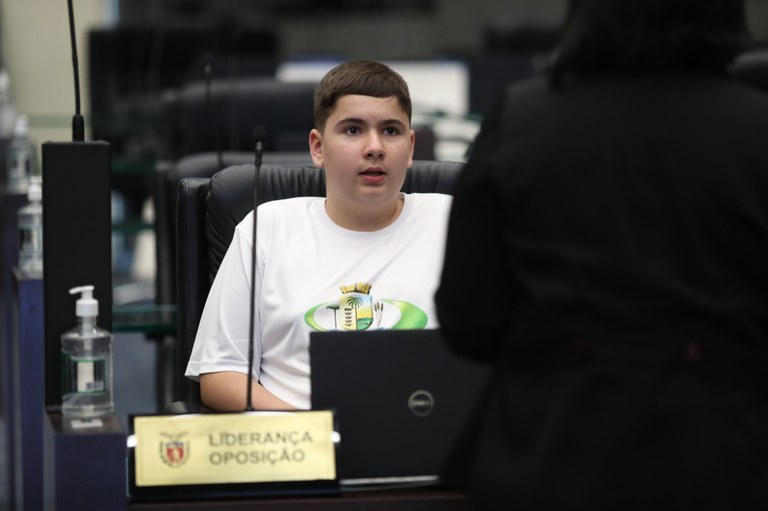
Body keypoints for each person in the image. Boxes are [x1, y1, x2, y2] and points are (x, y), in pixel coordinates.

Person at [435, 0, 768, 509]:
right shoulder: (758, 128)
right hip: (728, 459)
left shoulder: (521, 119)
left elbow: (469, 322)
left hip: (550, 455)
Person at [186, 60, 452, 411]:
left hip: (425, 426)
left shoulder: (454, 222)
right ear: (318, 147)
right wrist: (313, 428)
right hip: (296, 437)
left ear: (411, 146)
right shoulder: (266, 228)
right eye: (353, 130)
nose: (375, 147)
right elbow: (221, 375)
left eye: (390, 130)